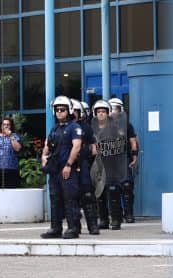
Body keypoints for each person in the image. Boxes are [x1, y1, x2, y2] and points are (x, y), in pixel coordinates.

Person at [41, 96, 83, 239]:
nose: (59, 112)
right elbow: (47, 144)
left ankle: (73, 228)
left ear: (69, 110)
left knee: (70, 198)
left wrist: (69, 165)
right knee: (55, 198)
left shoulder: (74, 127)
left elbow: (76, 146)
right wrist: (43, 156)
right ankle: (55, 228)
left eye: (62, 109)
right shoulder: (55, 128)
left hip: (67, 168)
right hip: (55, 169)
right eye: (57, 109)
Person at [92, 100, 124, 231]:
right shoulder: (91, 128)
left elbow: (120, 145)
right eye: (98, 112)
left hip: (111, 162)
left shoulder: (114, 128)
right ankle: (103, 219)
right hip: (97, 163)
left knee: (112, 190)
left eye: (103, 112)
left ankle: (116, 219)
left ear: (108, 113)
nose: (101, 114)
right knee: (100, 192)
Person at [109, 97, 140, 223]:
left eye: (116, 109)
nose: (113, 111)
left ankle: (129, 214)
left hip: (123, 158)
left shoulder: (127, 125)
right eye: (111, 109)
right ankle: (116, 215)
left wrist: (134, 156)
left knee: (127, 186)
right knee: (112, 188)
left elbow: (133, 142)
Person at [71, 100, 99, 234]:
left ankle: (93, 225)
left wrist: (89, 160)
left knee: (87, 194)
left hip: (83, 163)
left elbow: (94, 148)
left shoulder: (85, 127)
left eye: (74, 111)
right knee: (71, 196)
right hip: (68, 165)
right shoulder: (61, 128)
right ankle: (74, 226)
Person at [0, 116, 22, 189]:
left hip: (11, 169)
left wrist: (10, 136)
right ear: (0, 126)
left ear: (11, 126)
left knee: (12, 192)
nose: (6, 126)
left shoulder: (15, 136)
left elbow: (17, 149)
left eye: (8, 124)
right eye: (4, 124)